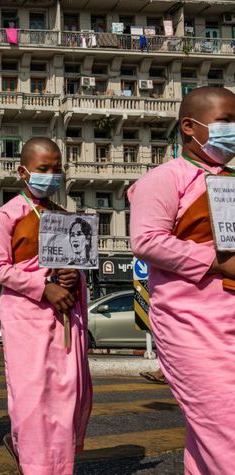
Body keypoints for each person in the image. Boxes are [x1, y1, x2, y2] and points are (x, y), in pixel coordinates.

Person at [129, 86, 235, 473]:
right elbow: (146, 240)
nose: (233, 129)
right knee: (225, 425)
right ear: (190, 126)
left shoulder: (232, 179)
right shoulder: (165, 178)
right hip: (190, 322)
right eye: (226, 121)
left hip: (231, 315)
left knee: (209, 432)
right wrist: (216, 262)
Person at [0, 138, 92, 474]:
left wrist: (74, 276)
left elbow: (77, 263)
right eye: (43, 169)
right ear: (23, 171)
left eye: (56, 168)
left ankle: (54, 462)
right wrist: (43, 287)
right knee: (32, 393)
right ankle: (33, 460)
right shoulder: (9, 214)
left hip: (65, 314)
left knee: (66, 392)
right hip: (27, 314)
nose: (52, 175)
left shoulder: (64, 216)